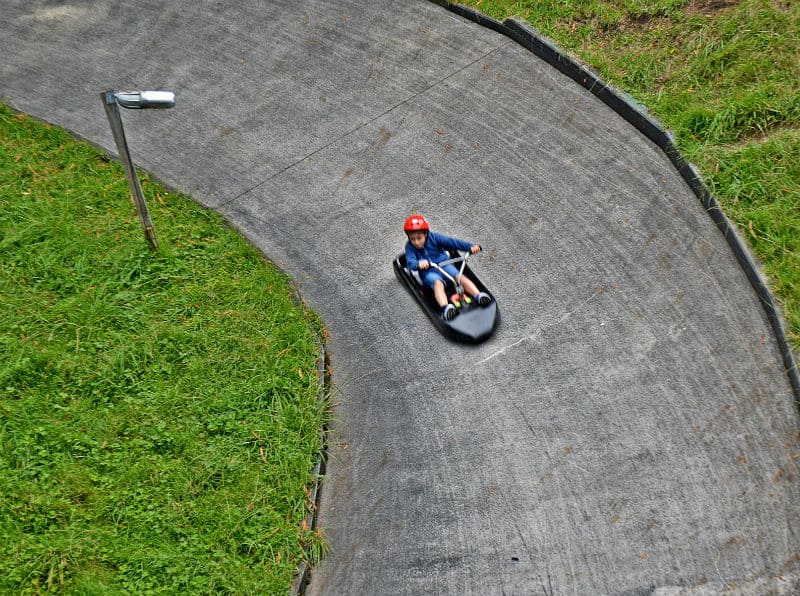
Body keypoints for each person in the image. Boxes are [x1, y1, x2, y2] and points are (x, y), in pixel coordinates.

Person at [404, 214, 492, 320]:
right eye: (412, 239)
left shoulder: (434, 237)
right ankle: (446, 307)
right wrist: (419, 264)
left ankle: (478, 295)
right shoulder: (409, 247)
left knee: (459, 277)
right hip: (429, 271)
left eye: (419, 238)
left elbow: (452, 243)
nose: (416, 242)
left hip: (444, 265)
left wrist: (470, 247)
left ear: (426, 233)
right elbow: (411, 263)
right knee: (438, 283)